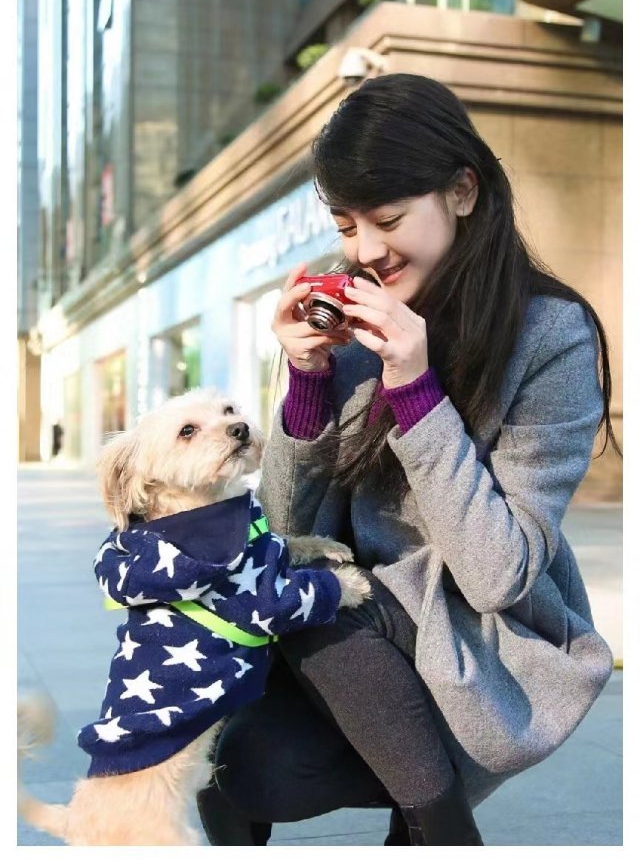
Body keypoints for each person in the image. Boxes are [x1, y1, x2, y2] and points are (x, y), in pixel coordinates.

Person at [197, 73, 617, 846]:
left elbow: (499, 573)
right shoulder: (351, 317)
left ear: (462, 191)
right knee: (249, 769)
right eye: (347, 224)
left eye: (388, 219)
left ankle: (437, 830)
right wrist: (308, 386)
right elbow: (287, 529)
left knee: (319, 602)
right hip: (355, 650)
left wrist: (417, 391)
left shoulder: (553, 336)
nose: (366, 252)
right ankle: (429, 823)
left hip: (485, 648)